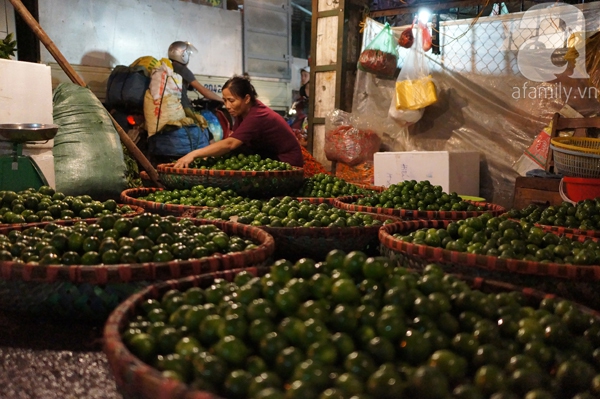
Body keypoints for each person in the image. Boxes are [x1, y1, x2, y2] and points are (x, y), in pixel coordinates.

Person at [174, 75, 303, 168]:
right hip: (268, 159)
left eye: (231, 100)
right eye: (225, 100)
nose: (227, 106)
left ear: (246, 99)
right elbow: (233, 140)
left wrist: (195, 154)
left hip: (286, 164)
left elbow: (231, 144)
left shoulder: (258, 115)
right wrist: (209, 156)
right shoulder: (242, 114)